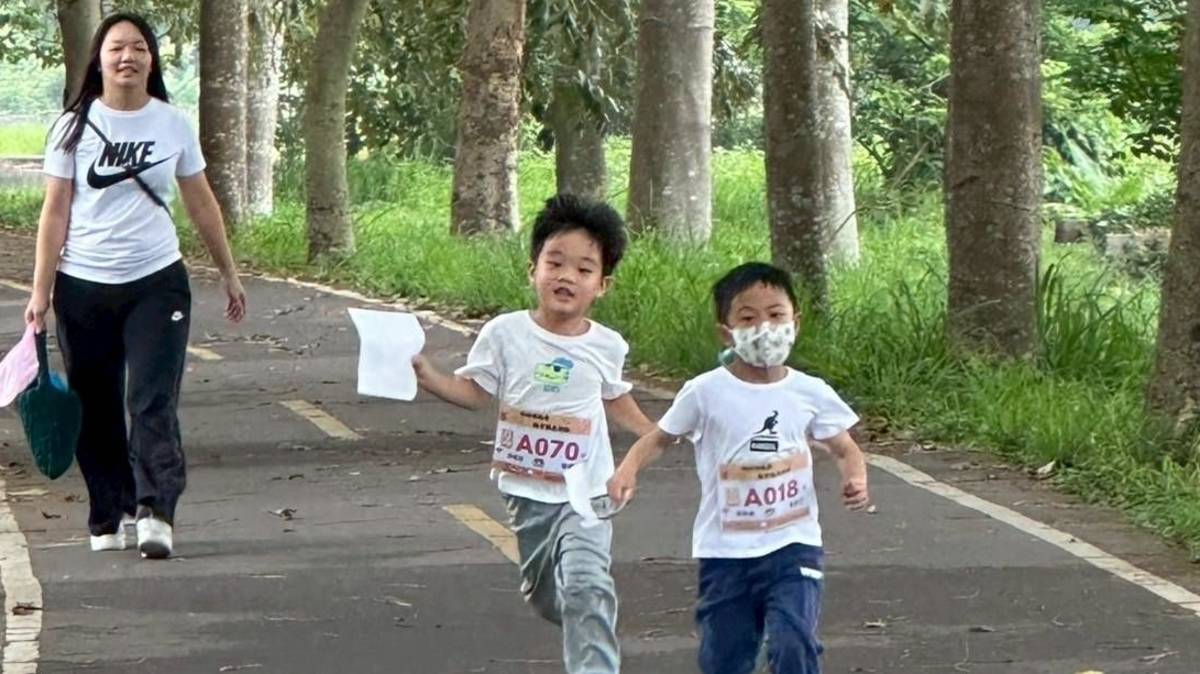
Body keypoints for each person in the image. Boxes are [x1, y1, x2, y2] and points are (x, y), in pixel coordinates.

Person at [24, 13, 247, 559]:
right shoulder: (72, 127)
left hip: (156, 282)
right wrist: (40, 292)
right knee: (95, 405)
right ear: (99, 60)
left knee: (151, 398)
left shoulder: (172, 123)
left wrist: (228, 270)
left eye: (139, 48)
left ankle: (157, 510)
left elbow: (200, 200)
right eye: (117, 48)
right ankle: (108, 509)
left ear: (152, 60)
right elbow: (55, 213)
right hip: (83, 285)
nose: (128, 57)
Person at [413, 194, 654, 674]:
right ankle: (588, 619)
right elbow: (475, 392)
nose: (567, 276)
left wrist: (656, 433)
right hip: (526, 495)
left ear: (602, 285)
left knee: (588, 583)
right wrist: (429, 376)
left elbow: (615, 399)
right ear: (533, 270)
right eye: (555, 262)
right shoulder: (506, 334)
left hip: (586, 493)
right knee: (550, 600)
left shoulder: (607, 345)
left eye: (584, 270)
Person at [606, 262, 870, 674]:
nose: (765, 328)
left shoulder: (809, 392)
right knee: (725, 658)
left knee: (793, 641)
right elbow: (659, 438)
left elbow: (844, 447)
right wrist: (627, 470)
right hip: (725, 553)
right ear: (726, 332)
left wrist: (855, 477)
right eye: (748, 318)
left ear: (795, 323)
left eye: (776, 315)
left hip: (793, 544)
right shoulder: (706, 392)